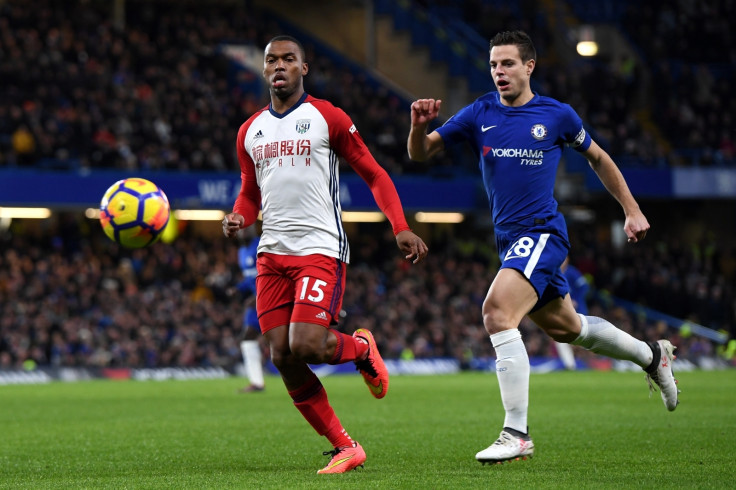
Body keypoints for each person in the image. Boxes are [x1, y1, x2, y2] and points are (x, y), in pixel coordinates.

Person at [407, 30, 679, 465]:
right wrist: (418, 128)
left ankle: (516, 433)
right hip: (510, 242)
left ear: (529, 66)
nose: (499, 72)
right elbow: (421, 154)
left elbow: (600, 158)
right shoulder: (479, 112)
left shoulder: (557, 115)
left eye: (508, 64)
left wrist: (631, 209)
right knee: (568, 328)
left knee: (496, 311)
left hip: (543, 233)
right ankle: (652, 357)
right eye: (494, 65)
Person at [223, 35, 429, 474]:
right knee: (281, 354)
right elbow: (248, 194)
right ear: (263, 71)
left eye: (289, 59)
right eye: (272, 60)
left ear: (304, 68)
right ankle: (345, 446)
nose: (280, 66)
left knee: (307, 344)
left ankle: (360, 350)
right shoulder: (250, 131)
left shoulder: (326, 116)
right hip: (271, 254)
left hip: (320, 248)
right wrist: (239, 217)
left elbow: (374, 173)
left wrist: (401, 226)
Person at [230, 225, 265, 393]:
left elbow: (270, 274)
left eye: (246, 227)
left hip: (270, 297)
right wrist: (238, 288)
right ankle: (256, 383)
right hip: (256, 302)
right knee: (248, 338)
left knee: (284, 340)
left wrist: (259, 296)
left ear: (253, 229)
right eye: (240, 228)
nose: (243, 231)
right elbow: (250, 278)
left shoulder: (262, 246)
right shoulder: (241, 252)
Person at [555, 255, 591, 370]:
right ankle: (570, 365)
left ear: (568, 259)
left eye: (564, 258)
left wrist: (575, 298)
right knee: (559, 337)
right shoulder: (553, 272)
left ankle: (592, 362)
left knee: (585, 338)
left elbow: (585, 286)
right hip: (562, 312)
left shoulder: (572, 271)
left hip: (578, 311)